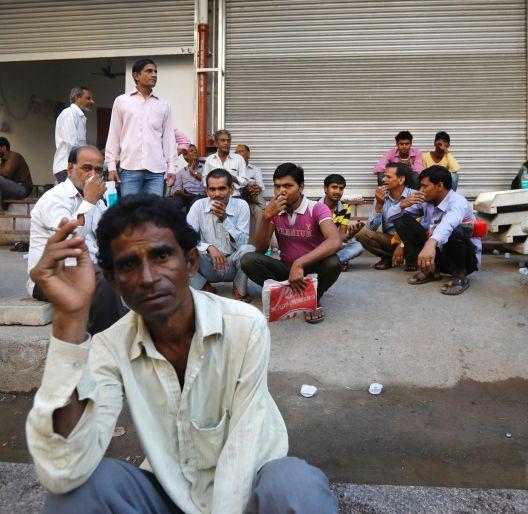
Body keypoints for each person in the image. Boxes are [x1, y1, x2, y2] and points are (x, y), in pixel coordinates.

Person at [26, 193, 338, 514]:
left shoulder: (244, 326)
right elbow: (63, 469)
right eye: (129, 265)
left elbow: (244, 448)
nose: (147, 278)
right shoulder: (111, 346)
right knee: (77, 494)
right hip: (170, 492)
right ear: (114, 282)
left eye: (161, 256)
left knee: (297, 487)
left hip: (248, 492)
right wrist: (70, 318)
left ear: (190, 263)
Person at [27, 145, 127, 335]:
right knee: (103, 280)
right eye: (86, 168)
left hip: (89, 269)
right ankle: (105, 347)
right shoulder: (54, 199)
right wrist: (89, 201)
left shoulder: (96, 199)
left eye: (98, 170)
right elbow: (70, 238)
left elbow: (109, 237)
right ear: (70, 168)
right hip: (50, 277)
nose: (93, 175)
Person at [241, 163, 341, 324]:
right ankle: (293, 295)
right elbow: (260, 250)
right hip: (286, 269)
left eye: (288, 186)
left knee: (334, 262)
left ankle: (314, 296)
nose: (281, 191)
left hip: (312, 268)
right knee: (248, 260)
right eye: (277, 186)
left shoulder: (316, 208)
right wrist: (266, 218)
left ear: (301, 187)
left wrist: (299, 264)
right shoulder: (274, 210)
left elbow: (335, 241)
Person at [389, 165, 481, 295]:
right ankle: (431, 271)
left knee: (455, 229)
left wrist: (431, 242)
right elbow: (390, 218)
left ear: (439, 186)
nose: (420, 190)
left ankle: (460, 275)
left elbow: (448, 224)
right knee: (401, 220)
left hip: (465, 261)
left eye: (424, 186)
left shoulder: (458, 202)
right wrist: (402, 205)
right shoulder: (426, 200)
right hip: (436, 257)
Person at [105, 58, 177, 196]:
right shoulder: (121, 102)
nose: (154, 75)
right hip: (129, 168)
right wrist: (111, 166)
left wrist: (172, 168)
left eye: (155, 71)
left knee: (154, 213)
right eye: (149, 71)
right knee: (130, 213)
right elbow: (114, 135)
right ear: (136, 76)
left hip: (156, 171)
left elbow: (169, 138)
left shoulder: (163, 104)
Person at [187, 168, 255, 302]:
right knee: (180, 251)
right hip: (207, 264)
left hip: (232, 264)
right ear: (207, 191)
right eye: (212, 189)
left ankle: (239, 288)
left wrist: (224, 219)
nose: (217, 194)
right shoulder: (198, 206)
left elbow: (243, 243)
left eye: (222, 189)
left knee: (249, 250)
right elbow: (187, 238)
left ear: (231, 190)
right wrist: (208, 247)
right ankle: (203, 285)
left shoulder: (241, 206)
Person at [355, 162, 411, 270]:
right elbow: (370, 229)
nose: (383, 179)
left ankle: (411, 259)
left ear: (401, 180)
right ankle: (388, 257)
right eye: (384, 176)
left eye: (388, 177)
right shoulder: (381, 197)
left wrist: (403, 244)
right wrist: (379, 206)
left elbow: (422, 226)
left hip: (410, 241)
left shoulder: (414, 196)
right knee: (361, 233)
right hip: (391, 240)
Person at [320, 174, 363, 271]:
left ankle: (330, 262)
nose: (338, 192)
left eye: (341, 189)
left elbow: (340, 237)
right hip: (316, 246)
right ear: (325, 189)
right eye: (334, 187)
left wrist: (352, 233)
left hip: (333, 245)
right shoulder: (315, 206)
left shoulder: (345, 208)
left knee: (358, 246)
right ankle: (336, 262)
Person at [53, 87, 95, 184]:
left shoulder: (79, 116)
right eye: (88, 98)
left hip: (73, 167)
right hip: (67, 168)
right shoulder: (69, 113)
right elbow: (72, 144)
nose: (92, 101)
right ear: (77, 98)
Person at [202, 130, 248, 197]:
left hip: (234, 197)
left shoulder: (239, 159)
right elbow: (204, 181)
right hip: (214, 197)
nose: (226, 143)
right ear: (216, 143)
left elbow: (245, 181)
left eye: (228, 141)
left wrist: (229, 176)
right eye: (223, 140)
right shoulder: (210, 159)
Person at [236, 143, 265, 244]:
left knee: (258, 211)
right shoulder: (233, 169)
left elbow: (261, 186)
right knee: (249, 185)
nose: (238, 154)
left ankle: (257, 243)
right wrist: (246, 187)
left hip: (252, 198)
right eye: (236, 152)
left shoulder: (255, 169)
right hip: (238, 197)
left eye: (241, 151)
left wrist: (256, 188)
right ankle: (265, 209)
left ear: (248, 154)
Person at [171, 144, 205, 211]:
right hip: (183, 196)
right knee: (173, 204)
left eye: (195, 150)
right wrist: (181, 192)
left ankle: (188, 221)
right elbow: (175, 190)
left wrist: (193, 172)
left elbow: (208, 180)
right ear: (186, 156)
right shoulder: (181, 172)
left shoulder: (205, 168)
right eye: (191, 151)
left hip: (198, 195)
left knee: (193, 205)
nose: (195, 152)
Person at [0, 137, 33, 204]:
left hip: (23, 189)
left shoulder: (15, 156)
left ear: (3, 148)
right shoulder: (3, 161)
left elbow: (6, 173)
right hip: (12, 188)